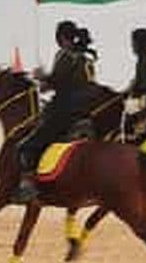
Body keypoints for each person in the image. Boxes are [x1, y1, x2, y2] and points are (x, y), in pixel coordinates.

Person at [13, 20, 100, 203]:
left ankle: (28, 187)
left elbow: (56, 80)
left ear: (61, 38)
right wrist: (48, 82)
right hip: (90, 110)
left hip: (66, 111)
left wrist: (40, 76)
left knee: (26, 146)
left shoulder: (66, 54)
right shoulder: (87, 56)